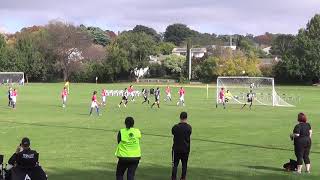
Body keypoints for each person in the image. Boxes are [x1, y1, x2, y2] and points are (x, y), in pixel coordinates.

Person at [171, 112, 192, 180]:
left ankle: (173, 178)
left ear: (180, 118)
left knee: (175, 164)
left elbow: (173, 133)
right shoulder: (189, 127)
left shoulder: (175, 127)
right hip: (185, 148)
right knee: (184, 165)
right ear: (186, 118)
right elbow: (189, 134)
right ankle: (183, 178)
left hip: (176, 148)